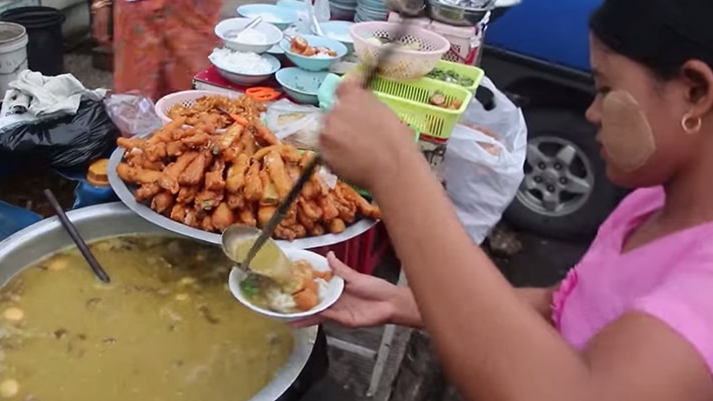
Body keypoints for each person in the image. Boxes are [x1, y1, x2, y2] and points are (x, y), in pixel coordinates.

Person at [295, 0, 713, 400]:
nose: (592, 112)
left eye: (606, 89)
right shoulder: (650, 205)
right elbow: (563, 307)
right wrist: (403, 300)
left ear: (694, 91)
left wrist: (397, 169)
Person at [91, 0, 222, 100]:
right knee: (134, 97)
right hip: (135, 16)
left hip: (190, 14)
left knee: (193, 100)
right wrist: (101, 3)